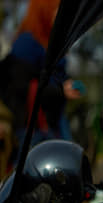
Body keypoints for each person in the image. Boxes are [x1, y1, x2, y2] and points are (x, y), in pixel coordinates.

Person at [1, 0, 81, 157]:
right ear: (43, 12)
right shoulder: (26, 44)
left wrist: (66, 85)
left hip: (53, 121)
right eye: (56, 11)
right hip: (33, 128)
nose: (61, 16)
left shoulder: (50, 40)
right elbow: (21, 87)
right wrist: (59, 91)